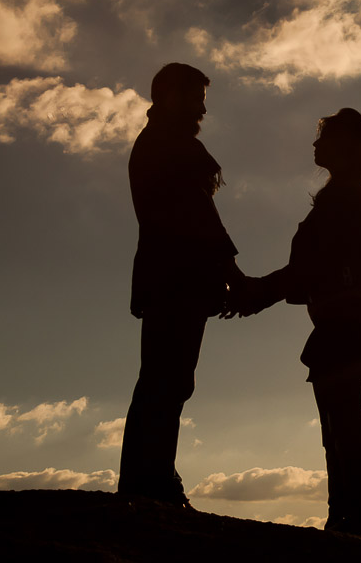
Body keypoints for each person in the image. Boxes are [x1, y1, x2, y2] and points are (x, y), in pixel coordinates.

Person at [230, 108, 361, 540]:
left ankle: (355, 518)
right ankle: (346, 516)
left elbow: (310, 268)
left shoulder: (344, 199)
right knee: (338, 419)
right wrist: (260, 292)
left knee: (343, 420)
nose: (316, 145)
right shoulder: (344, 196)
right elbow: (309, 270)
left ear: (345, 146)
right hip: (344, 314)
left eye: (324, 138)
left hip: (345, 316)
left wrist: (257, 293)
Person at [118, 62, 242, 507]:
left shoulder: (159, 143)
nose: (202, 110)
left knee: (164, 378)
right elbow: (199, 216)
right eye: (195, 99)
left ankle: (149, 477)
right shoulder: (169, 146)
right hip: (176, 278)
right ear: (170, 96)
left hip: (167, 276)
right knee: (167, 380)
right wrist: (232, 273)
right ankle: (152, 480)